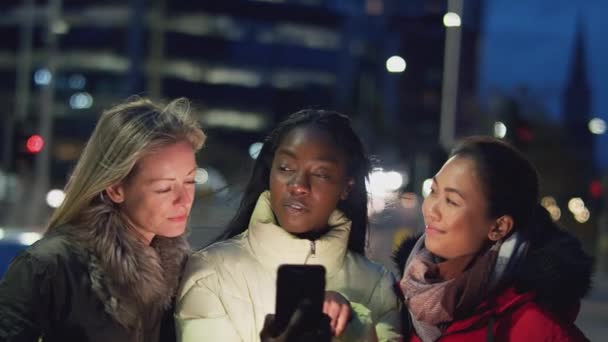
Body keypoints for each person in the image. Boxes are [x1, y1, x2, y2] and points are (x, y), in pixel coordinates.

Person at [176, 109, 402, 341]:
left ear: (346, 187)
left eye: (321, 174)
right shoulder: (210, 272)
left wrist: (353, 326)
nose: (298, 185)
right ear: (270, 172)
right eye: (286, 168)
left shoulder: (378, 285)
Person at [0, 97, 206, 342]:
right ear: (115, 188)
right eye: (164, 188)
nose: (184, 199)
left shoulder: (185, 274)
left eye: (190, 182)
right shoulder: (50, 267)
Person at [393, 136, 593, 341]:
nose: (431, 209)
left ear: (498, 227)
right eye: (433, 191)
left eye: (451, 201)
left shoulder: (534, 329)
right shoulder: (392, 301)